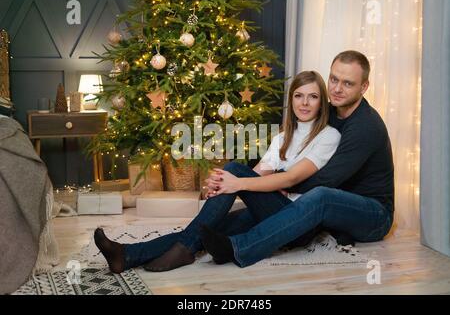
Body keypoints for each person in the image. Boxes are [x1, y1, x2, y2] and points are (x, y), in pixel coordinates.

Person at [93, 70, 341, 273]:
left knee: (233, 170)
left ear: (322, 102)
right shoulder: (284, 137)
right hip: (272, 208)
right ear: (292, 100)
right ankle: (126, 255)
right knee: (205, 230)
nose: (305, 103)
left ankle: (184, 251)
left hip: (298, 220)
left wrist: (236, 182)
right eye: (299, 96)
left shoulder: (328, 136)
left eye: (313, 97)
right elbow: (258, 173)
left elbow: (292, 177)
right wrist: (223, 183)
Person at [200, 50, 395, 268]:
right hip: (333, 201)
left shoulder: (365, 126)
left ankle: (239, 248)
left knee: (319, 196)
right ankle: (192, 239)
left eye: (348, 83)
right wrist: (260, 185)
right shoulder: (328, 111)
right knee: (249, 215)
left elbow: (328, 179)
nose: (337, 89)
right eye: (333, 79)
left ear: (364, 87)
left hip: (373, 214)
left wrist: (280, 184)